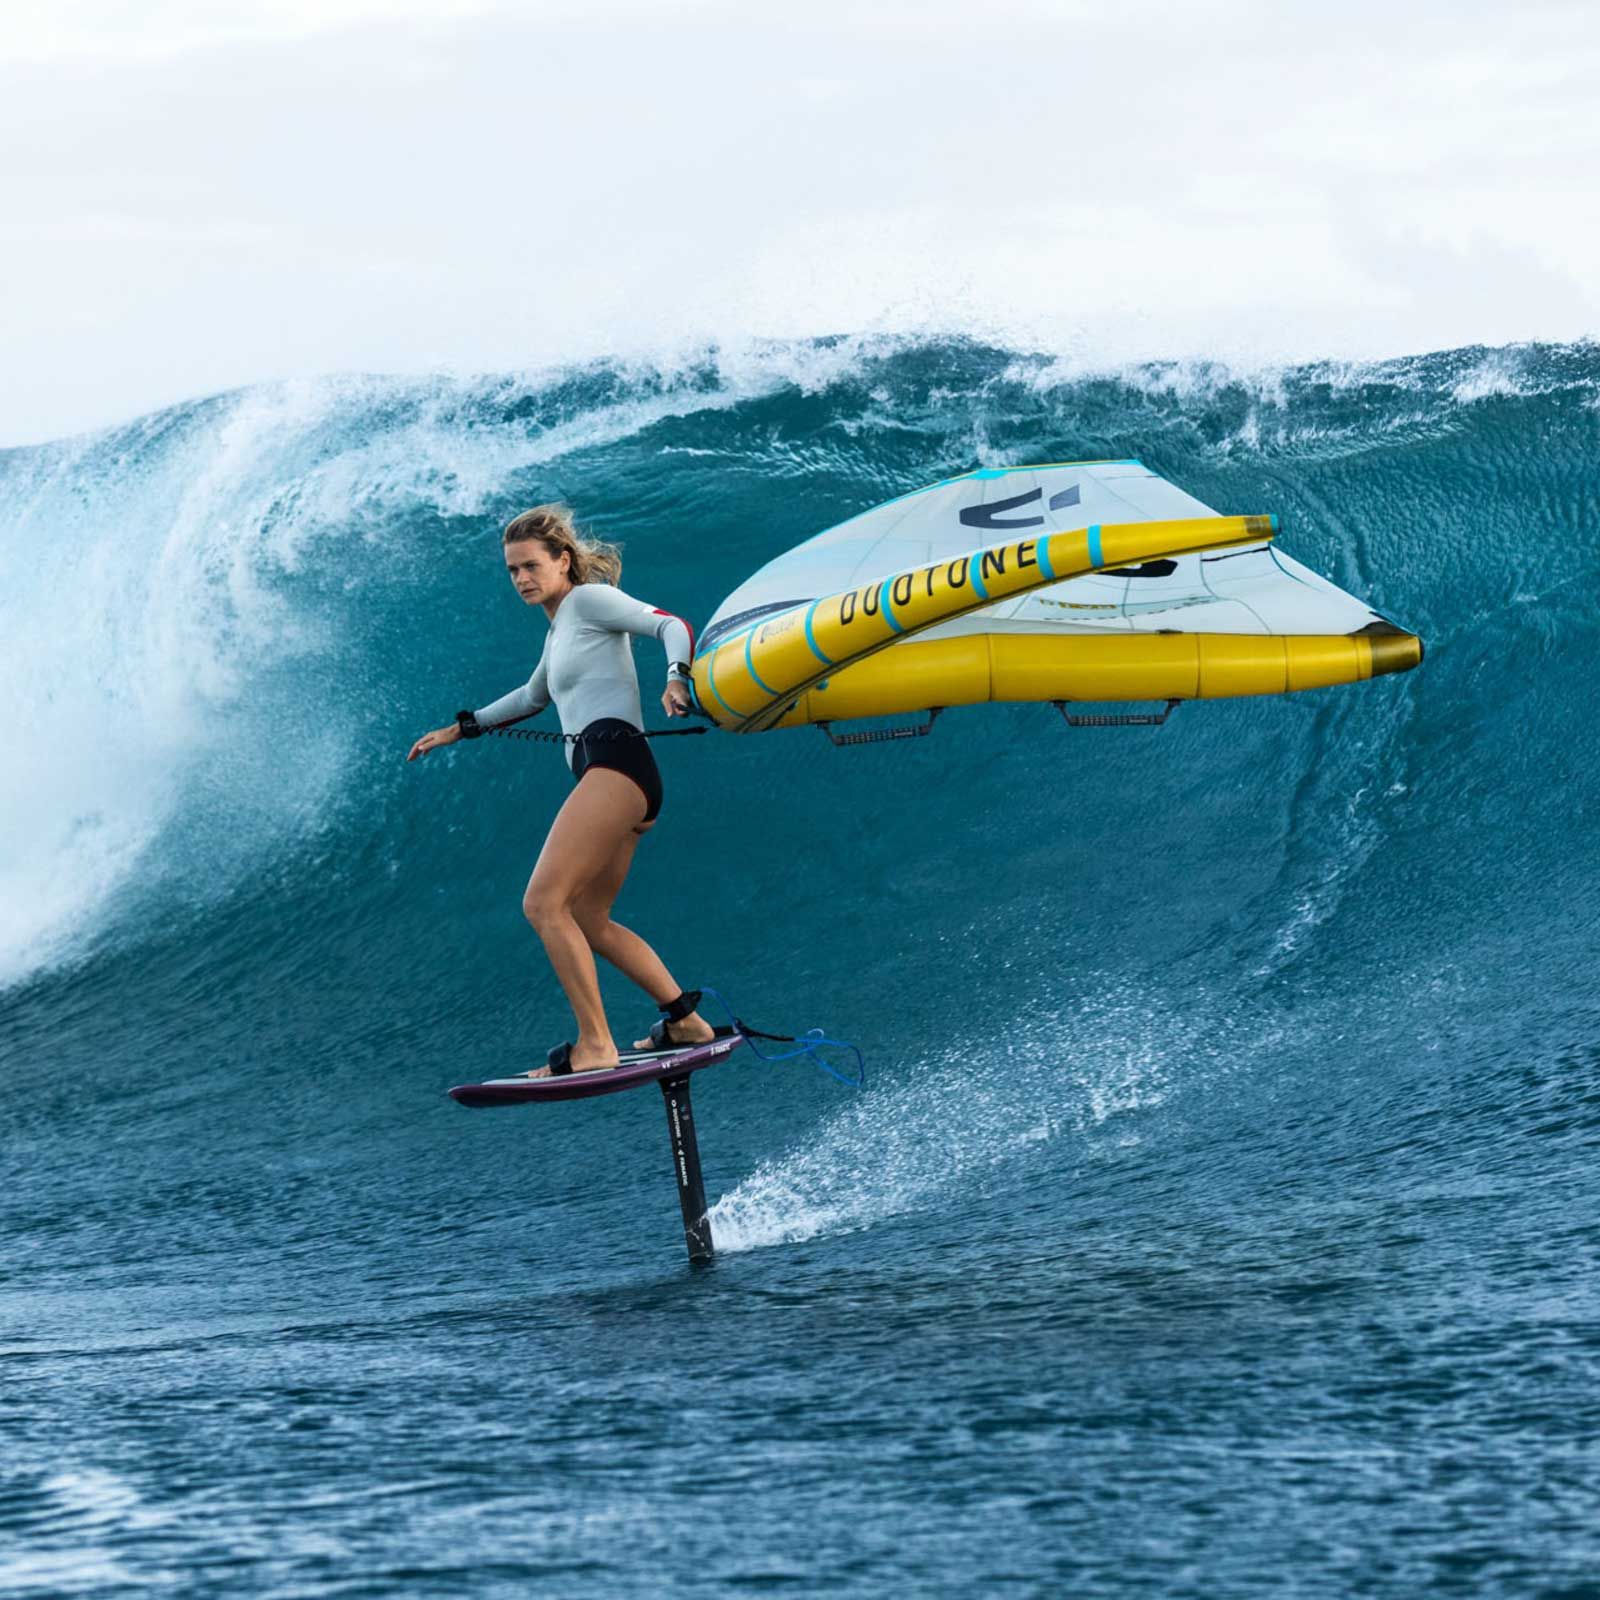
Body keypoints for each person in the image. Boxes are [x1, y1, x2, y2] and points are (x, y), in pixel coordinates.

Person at [407, 505, 715, 1078]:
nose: (522, 578)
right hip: (616, 776)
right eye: (512, 570)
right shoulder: (559, 632)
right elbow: (530, 697)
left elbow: (669, 623)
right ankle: (684, 1020)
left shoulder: (588, 603)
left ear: (563, 561)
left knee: (542, 904)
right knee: (589, 917)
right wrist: (458, 729)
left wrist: (677, 676)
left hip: (617, 765)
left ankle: (594, 1044)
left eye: (531, 565)